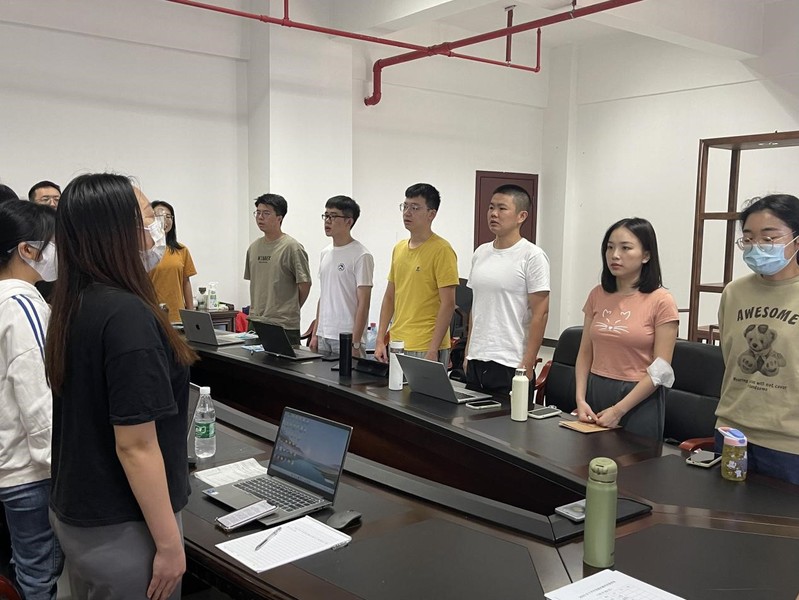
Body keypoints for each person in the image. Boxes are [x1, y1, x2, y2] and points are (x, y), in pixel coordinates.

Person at [45, 174, 197, 600]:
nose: (156, 230)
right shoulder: (127, 315)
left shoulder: (76, 301)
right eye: (148, 219)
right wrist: (169, 545)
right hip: (124, 524)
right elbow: (136, 446)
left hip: (81, 511)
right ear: (116, 233)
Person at [0, 200, 63, 599]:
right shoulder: (22, 305)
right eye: (55, 245)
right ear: (27, 249)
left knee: (24, 568)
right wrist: (61, 469)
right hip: (30, 473)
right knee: (39, 574)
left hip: (10, 464)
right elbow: (39, 398)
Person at [716, 194, 799, 484]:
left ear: (796, 241)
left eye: (769, 238)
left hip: (789, 444)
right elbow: (730, 357)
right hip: (732, 431)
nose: (757, 246)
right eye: (748, 239)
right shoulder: (734, 292)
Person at [574, 217, 679, 439]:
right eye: (610, 247)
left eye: (625, 248)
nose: (615, 255)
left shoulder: (661, 300)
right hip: (597, 387)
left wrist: (619, 410)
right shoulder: (597, 294)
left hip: (639, 396)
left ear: (646, 255)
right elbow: (585, 352)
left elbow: (661, 368)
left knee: (633, 459)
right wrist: (580, 399)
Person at [464, 184, 550, 393]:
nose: (494, 213)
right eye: (491, 207)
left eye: (502, 208)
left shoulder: (532, 256)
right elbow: (477, 308)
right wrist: (468, 352)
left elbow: (540, 313)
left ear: (521, 216)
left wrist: (528, 362)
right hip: (477, 358)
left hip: (511, 362)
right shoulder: (480, 253)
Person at [375, 183, 458, 365]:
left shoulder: (442, 250)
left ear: (431, 214)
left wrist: (433, 349)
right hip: (397, 342)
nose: (407, 212)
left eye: (414, 208)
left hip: (426, 345)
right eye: (405, 206)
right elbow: (389, 297)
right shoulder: (399, 248)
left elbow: (448, 304)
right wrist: (380, 339)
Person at [309, 195, 374, 356]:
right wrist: (316, 333)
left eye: (333, 216)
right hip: (324, 335)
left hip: (347, 337)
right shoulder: (325, 253)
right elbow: (324, 296)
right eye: (326, 216)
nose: (327, 221)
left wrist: (356, 343)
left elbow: (364, 302)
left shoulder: (361, 255)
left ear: (348, 221)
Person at [244, 193, 312, 346]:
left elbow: (305, 284)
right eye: (258, 212)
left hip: (283, 325)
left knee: (283, 362)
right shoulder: (253, 248)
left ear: (279, 218)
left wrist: (290, 308)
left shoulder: (292, 247)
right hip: (256, 322)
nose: (260, 217)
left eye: (266, 213)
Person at [149, 200, 197, 322]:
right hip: (151, 315)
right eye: (159, 216)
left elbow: (186, 283)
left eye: (168, 216)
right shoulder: (144, 252)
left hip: (177, 316)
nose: (164, 220)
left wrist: (191, 314)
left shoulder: (181, 250)